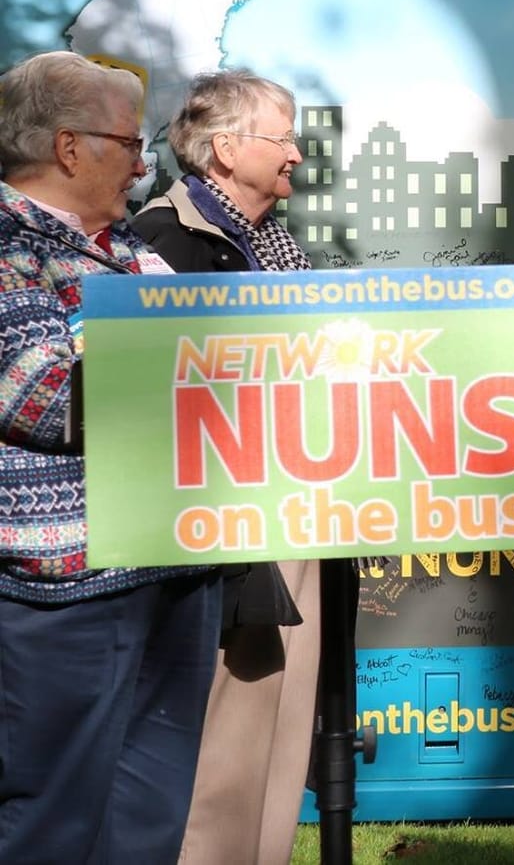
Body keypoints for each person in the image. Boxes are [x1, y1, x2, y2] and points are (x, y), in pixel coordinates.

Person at [0, 50, 223, 862]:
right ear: (68, 147)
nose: (142, 165)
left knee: (149, 820)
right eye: (131, 143)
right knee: (53, 818)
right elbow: (36, 392)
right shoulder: (10, 246)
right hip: (66, 582)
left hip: (173, 562)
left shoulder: (130, 250)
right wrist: (202, 369)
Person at [131, 70, 319, 865]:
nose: (297, 154)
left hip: (301, 510)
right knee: (223, 759)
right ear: (226, 150)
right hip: (225, 533)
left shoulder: (277, 245)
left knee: (279, 741)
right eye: (283, 137)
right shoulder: (162, 243)